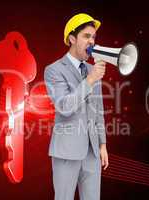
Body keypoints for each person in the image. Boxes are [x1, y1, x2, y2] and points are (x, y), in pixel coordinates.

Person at [44, 13, 109, 200]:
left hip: (92, 153)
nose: (92, 42)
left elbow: (98, 110)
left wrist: (102, 144)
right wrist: (90, 80)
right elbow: (64, 106)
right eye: (86, 36)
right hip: (66, 152)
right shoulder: (54, 70)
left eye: (94, 37)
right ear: (72, 38)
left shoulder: (91, 70)